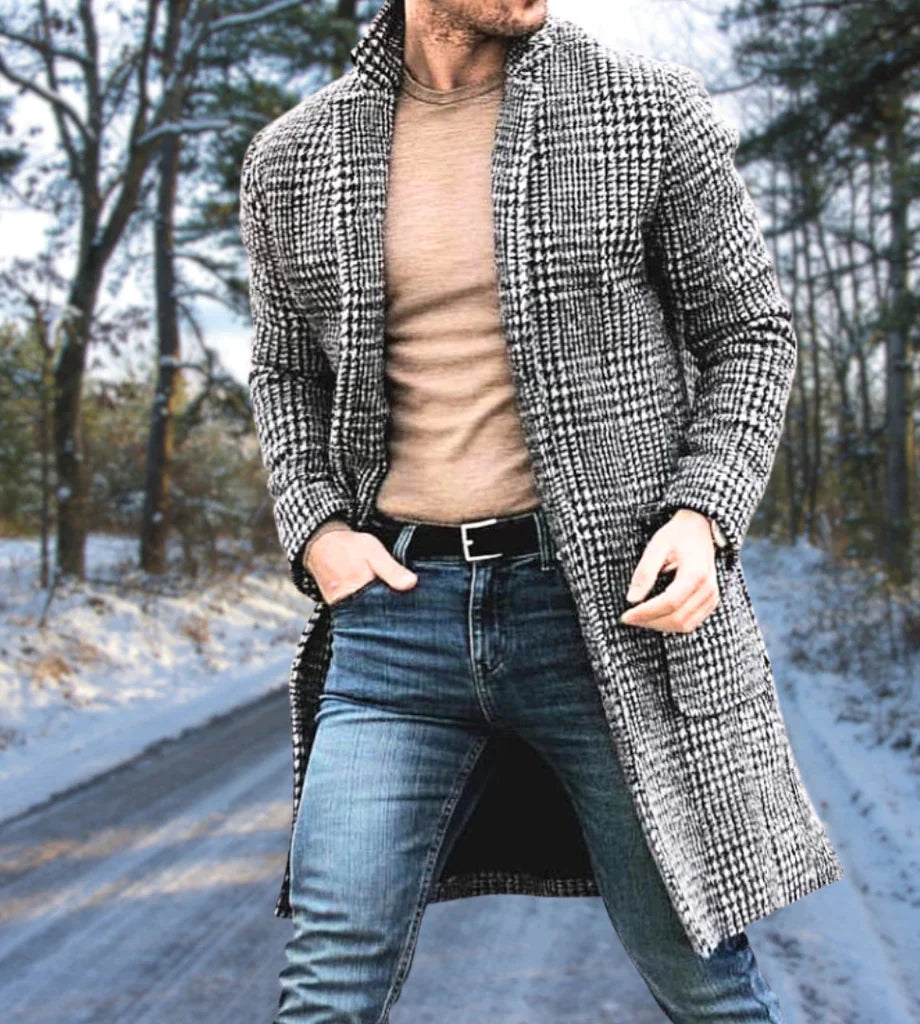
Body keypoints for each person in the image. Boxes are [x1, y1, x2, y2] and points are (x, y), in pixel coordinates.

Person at [239, 0, 846, 1020]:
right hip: (395, 625)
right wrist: (318, 527)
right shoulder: (293, 157)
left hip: (605, 615)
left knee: (703, 984)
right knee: (327, 985)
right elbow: (285, 370)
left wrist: (702, 513)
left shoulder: (645, 110)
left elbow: (750, 332)